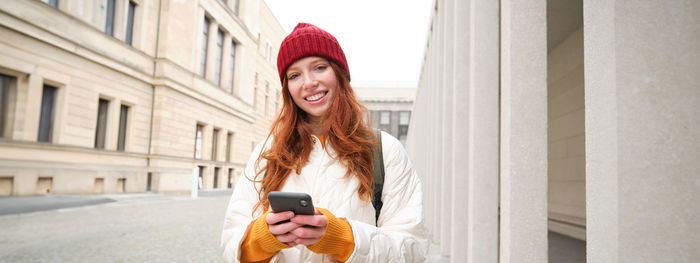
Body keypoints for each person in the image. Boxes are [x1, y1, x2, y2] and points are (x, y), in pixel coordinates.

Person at [221, 23, 427, 263]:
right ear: (287, 88)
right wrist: (261, 238)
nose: (308, 82)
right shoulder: (267, 152)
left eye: (319, 67)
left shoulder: (385, 151)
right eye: (295, 75)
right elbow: (230, 244)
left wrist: (342, 239)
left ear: (340, 74)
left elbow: (412, 250)